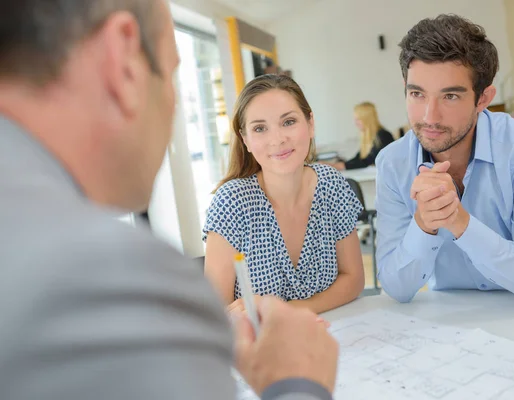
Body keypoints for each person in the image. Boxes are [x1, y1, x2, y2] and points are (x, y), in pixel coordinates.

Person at [0, 1, 339, 399]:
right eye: (175, 72)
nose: (175, 105)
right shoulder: (103, 270)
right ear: (123, 59)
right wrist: (299, 383)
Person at [375, 14, 514, 307]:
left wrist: (461, 223)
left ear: (484, 98)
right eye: (417, 94)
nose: (429, 117)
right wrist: (423, 225)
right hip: (454, 325)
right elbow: (396, 289)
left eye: (450, 96)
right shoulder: (392, 162)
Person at [203, 74, 365, 315]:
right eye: (260, 128)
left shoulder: (331, 185)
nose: (277, 139)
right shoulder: (232, 203)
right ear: (245, 139)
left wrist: (291, 311)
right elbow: (213, 317)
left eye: (288, 122)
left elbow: (353, 279)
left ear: (310, 124)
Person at [328, 102, 394, 170]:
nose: (355, 123)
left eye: (358, 119)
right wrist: (337, 164)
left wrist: (339, 166)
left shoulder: (383, 136)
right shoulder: (368, 137)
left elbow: (367, 161)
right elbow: (359, 158)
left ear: (366, 119)